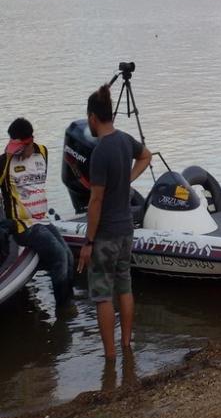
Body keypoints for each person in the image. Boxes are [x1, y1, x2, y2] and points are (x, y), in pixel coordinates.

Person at [76, 85, 151, 359]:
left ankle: (109, 358)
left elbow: (95, 202)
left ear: (93, 117)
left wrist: (88, 242)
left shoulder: (100, 152)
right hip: (126, 231)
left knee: (102, 295)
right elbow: (146, 155)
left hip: (106, 233)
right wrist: (127, 179)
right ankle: (126, 344)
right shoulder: (124, 141)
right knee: (125, 286)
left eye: (88, 118)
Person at [0, 118, 75, 309]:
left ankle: (69, 301)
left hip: (43, 220)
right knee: (59, 256)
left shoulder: (42, 152)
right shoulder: (4, 162)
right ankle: (63, 307)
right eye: (13, 146)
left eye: (20, 147)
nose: (17, 151)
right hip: (23, 225)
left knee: (69, 256)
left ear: (30, 141)